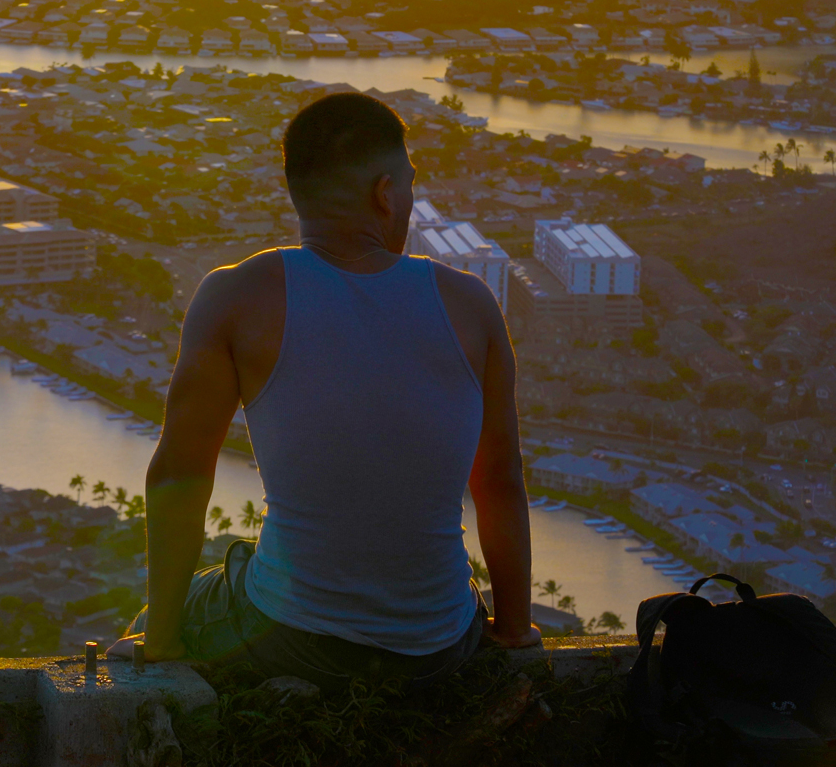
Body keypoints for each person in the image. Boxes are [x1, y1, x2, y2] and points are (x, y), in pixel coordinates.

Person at [108, 92, 539, 691]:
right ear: (385, 193)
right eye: (409, 186)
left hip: (291, 638)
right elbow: (499, 481)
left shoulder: (236, 296)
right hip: (439, 644)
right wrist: (515, 629)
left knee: (157, 617)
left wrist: (163, 641)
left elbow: (180, 472)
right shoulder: (471, 304)